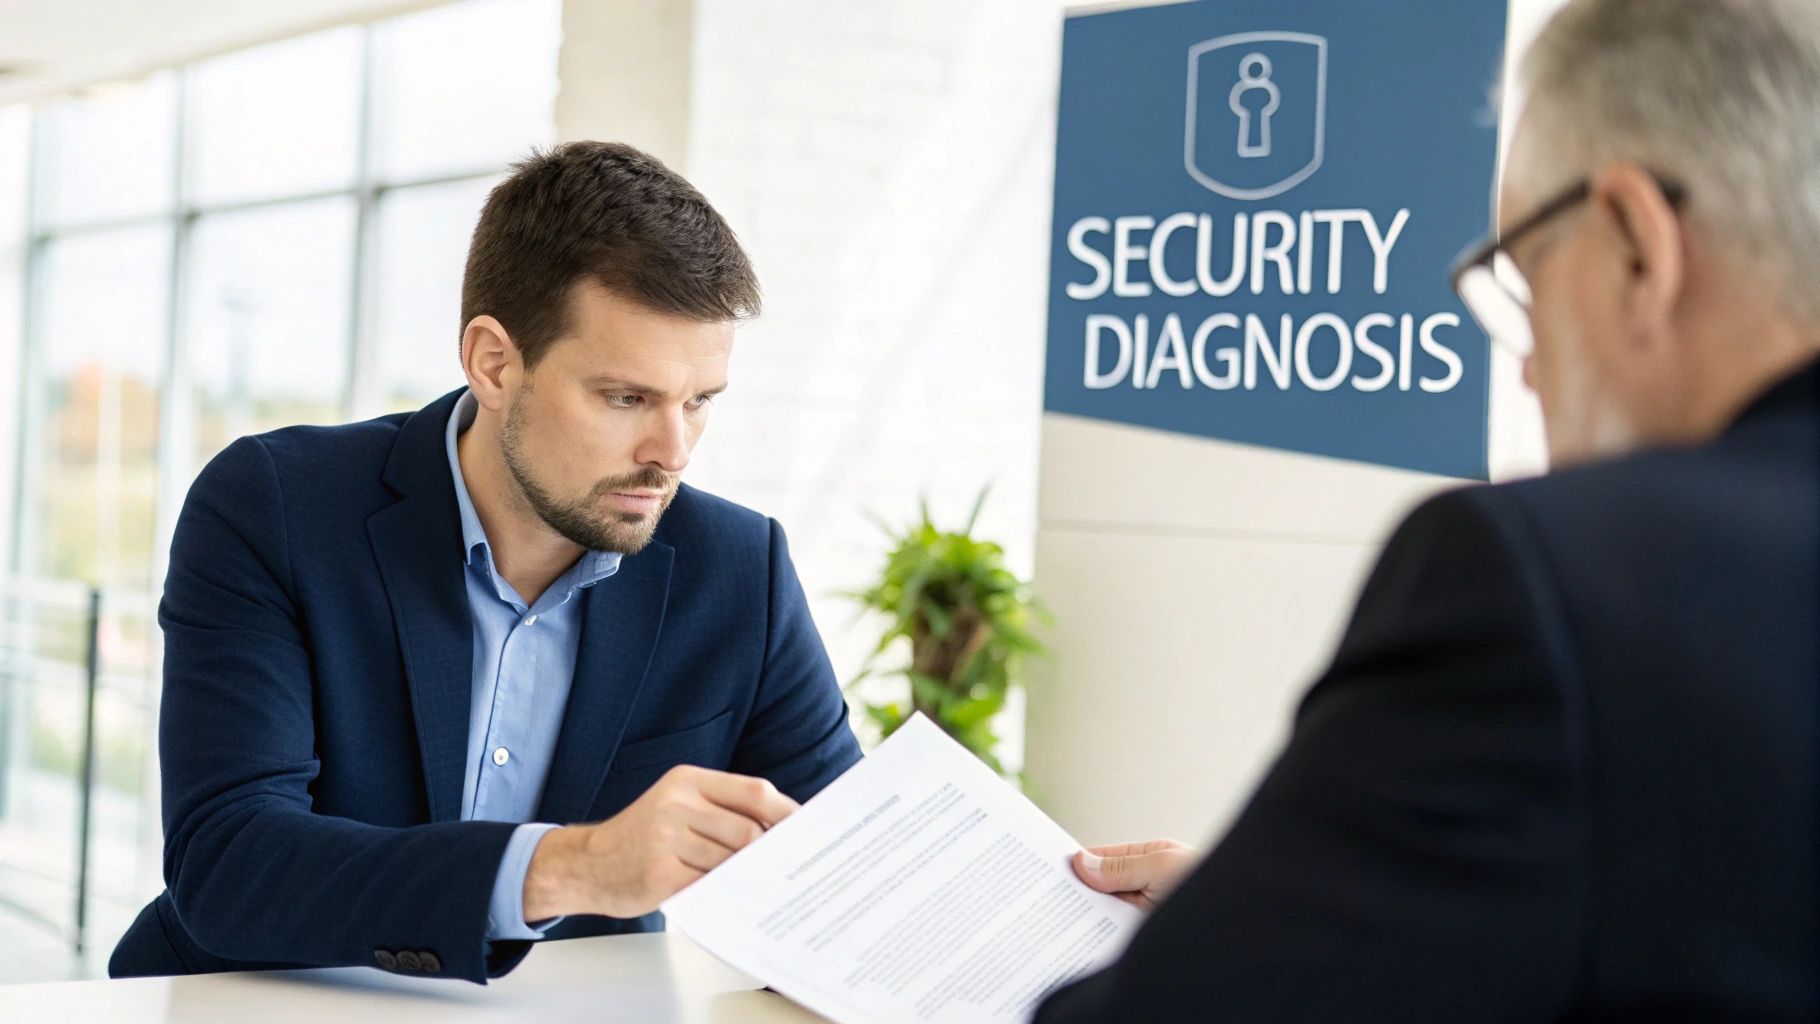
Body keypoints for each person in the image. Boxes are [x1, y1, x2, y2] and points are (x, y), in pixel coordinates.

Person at [1036, 0, 1818, 1019]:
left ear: (1635, 244)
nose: (1529, 368)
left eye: (1525, 279)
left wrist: (1252, 940)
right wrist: (1308, 900)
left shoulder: (1545, 579)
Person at [108, 141, 861, 984]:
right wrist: (572, 867)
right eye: (626, 398)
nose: (672, 450)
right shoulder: (274, 506)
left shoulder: (737, 570)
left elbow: (850, 863)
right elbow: (230, 861)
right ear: (494, 363)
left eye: (699, 402)